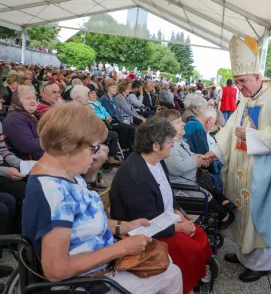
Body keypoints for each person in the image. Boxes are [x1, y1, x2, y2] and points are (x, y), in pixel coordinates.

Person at [22, 104, 182, 294]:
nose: (98, 154)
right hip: (82, 284)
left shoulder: (64, 175)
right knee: (171, 273)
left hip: (98, 270)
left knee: (166, 263)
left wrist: (123, 226)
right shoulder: (52, 194)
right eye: (93, 148)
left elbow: (83, 222)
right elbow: (57, 270)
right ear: (67, 145)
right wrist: (121, 249)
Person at [205, 35, 271, 282]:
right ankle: (245, 254)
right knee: (245, 211)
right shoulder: (247, 97)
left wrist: (251, 136)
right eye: (237, 82)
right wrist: (214, 152)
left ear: (258, 77)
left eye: (243, 81)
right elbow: (229, 129)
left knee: (261, 213)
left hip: (267, 171)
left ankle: (263, 263)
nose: (239, 87)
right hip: (245, 169)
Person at [109, 117, 210, 294]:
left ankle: (195, 276)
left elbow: (167, 191)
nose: (172, 145)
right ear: (156, 146)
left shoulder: (157, 159)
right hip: (146, 229)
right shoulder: (134, 174)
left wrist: (177, 210)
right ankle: (186, 285)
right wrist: (179, 228)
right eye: (170, 142)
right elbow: (147, 221)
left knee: (199, 234)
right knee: (190, 247)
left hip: (164, 218)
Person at [158, 109, 235, 224]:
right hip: (184, 188)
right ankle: (224, 218)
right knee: (207, 193)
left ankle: (222, 204)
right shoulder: (169, 147)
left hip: (193, 180)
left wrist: (201, 157)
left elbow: (190, 155)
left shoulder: (179, 142)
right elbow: (179, 167)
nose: (184, 123)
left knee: (209, 184)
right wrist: (198, 161)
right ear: (167, 128)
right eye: (178, 122)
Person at [71, 85, 120, 166]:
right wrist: (89, 112)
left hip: (90, 134)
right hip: (83, 139)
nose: (87, 98)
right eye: (86, 95)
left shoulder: (85, 106)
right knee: (103, 150)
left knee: (106, 147)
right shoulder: (76, 108)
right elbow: (83, 127)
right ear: (78, 97)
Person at [4, 85, 43, 160]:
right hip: (31, 163)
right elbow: (27, 146)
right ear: (17, 100)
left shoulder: (32, 115)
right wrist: (52, 140)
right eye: (28, 98)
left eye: (34, 98)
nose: (32, 101)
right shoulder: (14, 119)